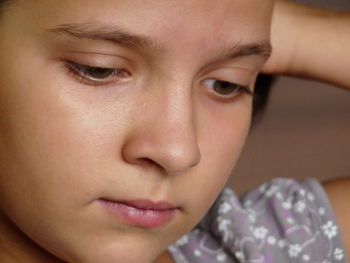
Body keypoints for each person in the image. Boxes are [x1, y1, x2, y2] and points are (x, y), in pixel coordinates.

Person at [0, 0, 348, 262]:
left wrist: (280, 30)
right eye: (99, 70)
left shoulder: (254, 247)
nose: (178, 152)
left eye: (225, 84)